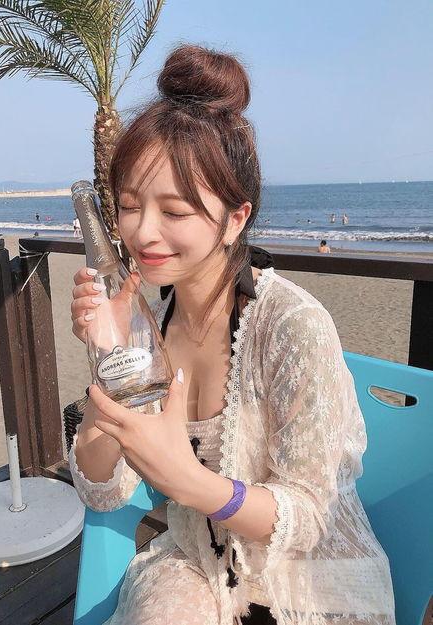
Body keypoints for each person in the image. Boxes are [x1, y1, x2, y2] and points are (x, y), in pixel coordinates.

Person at [68, 45, 395, 625]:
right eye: (129, 205)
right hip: (200, 558)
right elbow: (103, 491)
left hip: (307, 577)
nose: (143, 232)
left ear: (234, 219)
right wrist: (108, 368)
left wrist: (190, 483)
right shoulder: (150, 322)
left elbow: (309, 518)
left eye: (175, 212)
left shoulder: (291, 325)